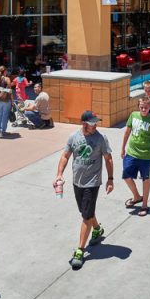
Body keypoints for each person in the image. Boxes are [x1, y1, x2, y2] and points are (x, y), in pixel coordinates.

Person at [55, 111, 114, 270]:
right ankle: (97, 229)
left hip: (92, 182)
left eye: (96, 123)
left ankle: (80, 251)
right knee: (85, 212)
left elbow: (108, 158)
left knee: (86, 216)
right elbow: (65, 156)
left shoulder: (101, 138)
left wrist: (110, 179)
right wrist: (59, 174)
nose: (95, 125)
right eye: (92, 123)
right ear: (84, 124)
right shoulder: (73, 137)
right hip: (77, 182)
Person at [120, 98, 150, 217]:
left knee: (145, 178)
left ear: (149, 108)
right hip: (131, 152)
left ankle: (145, 204)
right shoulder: (133, 115)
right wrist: (122, 148)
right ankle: (137, 196)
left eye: (145, 107)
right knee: (126, 176)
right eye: (141, 107)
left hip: (145, 155)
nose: (143, 109)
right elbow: (127, 132)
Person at [0, 66, 13, 137]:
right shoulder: (7, 79)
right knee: (5, 115)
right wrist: (12, 100)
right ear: (5, 71)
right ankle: (3, 131)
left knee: (0, 113)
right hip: (6, 99)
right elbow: (10, 91)